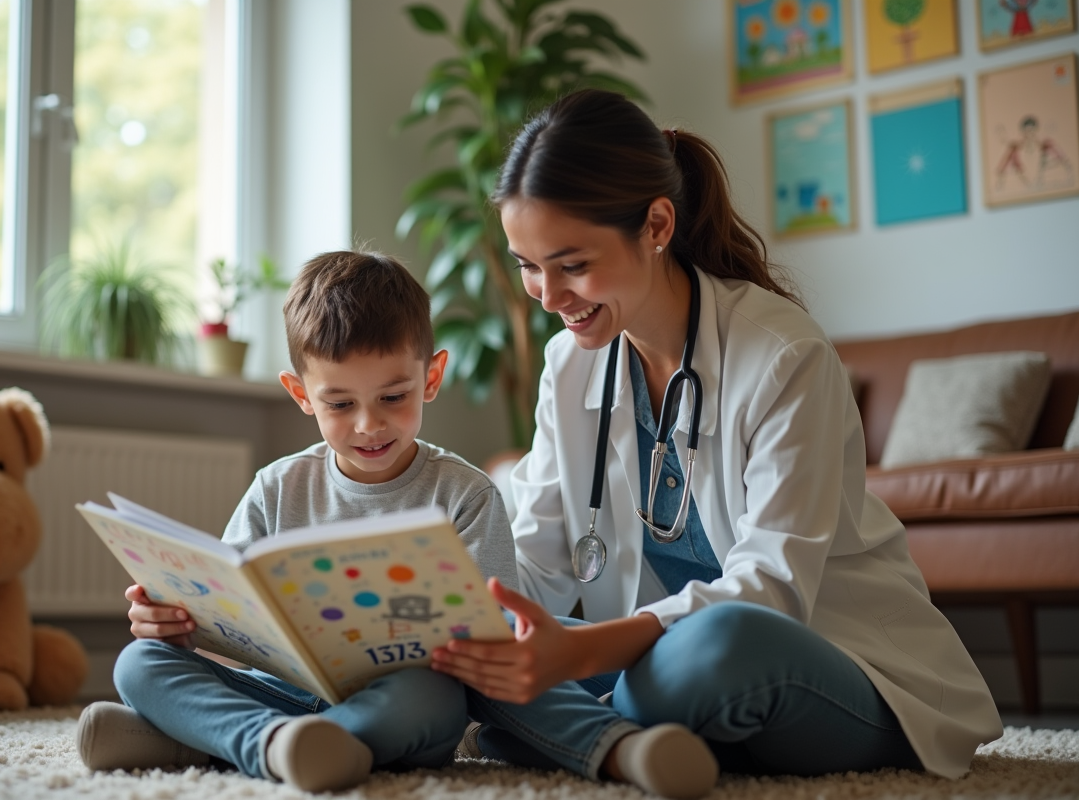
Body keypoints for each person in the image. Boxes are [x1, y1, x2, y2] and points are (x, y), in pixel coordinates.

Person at [429, 89, 1004, 788]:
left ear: (657, 224)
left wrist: (573, 661)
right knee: (480, 664)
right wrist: (466, 620)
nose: (547, 296)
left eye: (572, 264)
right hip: (662, 661)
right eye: (527, 264)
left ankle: (578, 727)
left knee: (713, 647)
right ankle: (611, 728)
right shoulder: (571, 361)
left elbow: (772, 588)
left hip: (831, 666)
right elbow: (540, 559)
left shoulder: (784, 355)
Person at [75, 250, 703, 796]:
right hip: (285, 692)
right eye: (340, 404)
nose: (368, 425)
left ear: (431, 378)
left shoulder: (464, 494)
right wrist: (174, 619)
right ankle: (276, 745)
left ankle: (232, 746)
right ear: (301, 395)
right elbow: (232, 617)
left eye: (393, 397)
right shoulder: (277, 487)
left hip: (407, 698)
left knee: (440, 694)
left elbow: (491, 641)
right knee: (140, 664)